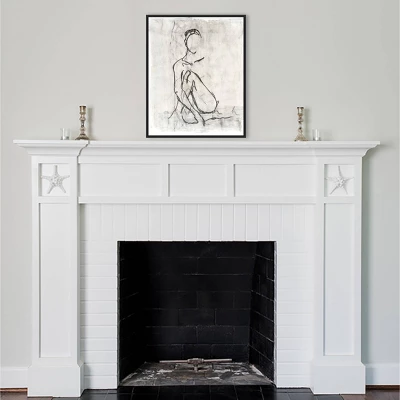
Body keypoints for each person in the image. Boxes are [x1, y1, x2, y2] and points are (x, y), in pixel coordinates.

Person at [170, 29, 219, 126]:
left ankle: (186, 112)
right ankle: (186, 111)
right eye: (191, 40)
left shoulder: (203, 61)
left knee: (190, 76)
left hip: (208, 103)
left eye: (196, 41)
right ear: (185, 42)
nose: (194, 44)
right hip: (195, 104)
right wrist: (196, 114)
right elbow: (178, 91)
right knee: (188, 76)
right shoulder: (179, 65)